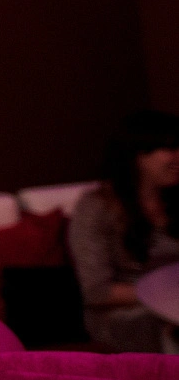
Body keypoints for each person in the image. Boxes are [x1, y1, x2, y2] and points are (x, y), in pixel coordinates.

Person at [68, 109, 179, 353]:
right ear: (137, 155)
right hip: (126, 314)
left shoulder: (173, 199)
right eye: (170, 148)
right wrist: (167, 296)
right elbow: (97, 292)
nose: (178, 157)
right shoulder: (97, 206)